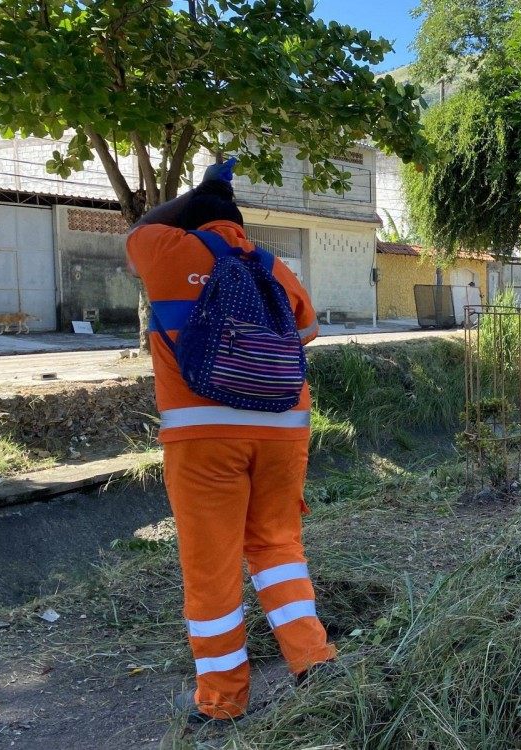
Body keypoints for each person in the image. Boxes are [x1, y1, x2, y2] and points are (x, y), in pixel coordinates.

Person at [125, 161, 335, 724]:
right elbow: (307, 333)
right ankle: (313, 660)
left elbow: (139, 227)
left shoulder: (166, 250)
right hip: (283, 428)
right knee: (277, 546)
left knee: (211, 567)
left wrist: (200, 191)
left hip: (203, 436)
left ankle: (222, 701)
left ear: (189, 221)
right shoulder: (270, 265)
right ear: (240, 226)